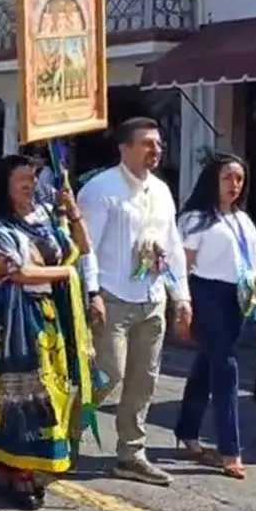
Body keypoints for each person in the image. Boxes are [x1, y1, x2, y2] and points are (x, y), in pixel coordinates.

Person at [0, 153, 96, 509]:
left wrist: (73, 211)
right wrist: (65, 275)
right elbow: (17, 271)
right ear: (5, 185)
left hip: (45, 316)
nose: (30, 184)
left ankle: (32, 465)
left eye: (33, 178)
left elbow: (79, 249)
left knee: (49, 392)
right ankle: (16, 471)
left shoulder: (42, 217)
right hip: (6, 320)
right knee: (12, 396)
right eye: (22, 178)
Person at [76, 117, 192, 486]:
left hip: (151, 298)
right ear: (124, 148)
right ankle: (64, 437)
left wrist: (181, 296)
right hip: (111, 297)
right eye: (146, 144)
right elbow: (85, 247)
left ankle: (131, 453)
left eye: (158, 144)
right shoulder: (100, 189)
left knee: (144, 379)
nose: (155, 151)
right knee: (108, 374)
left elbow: (171, 245)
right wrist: (91, 293)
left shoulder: (160, 191)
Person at [173, 153, 256, 480]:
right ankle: (231, 449)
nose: (234, 185)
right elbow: (183, 266)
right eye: (228, 177)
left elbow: (252, 265)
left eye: (239, 179)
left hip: (240, 297)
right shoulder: (196, 219)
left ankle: (187, 429)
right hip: (207, 293)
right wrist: (181, 306)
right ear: (213, 179)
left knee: (208, 364)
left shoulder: (242, 219)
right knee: (225, 367)